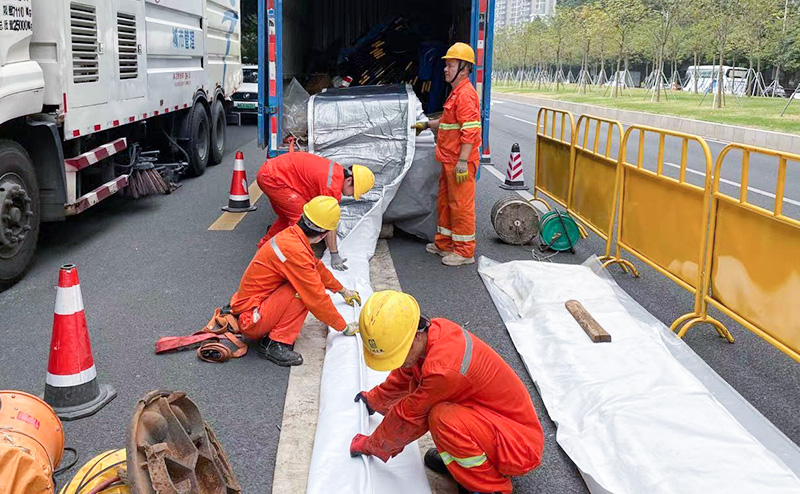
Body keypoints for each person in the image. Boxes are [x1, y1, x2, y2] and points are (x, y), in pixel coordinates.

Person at [349, 291, 544, 494]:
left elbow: (409, 416)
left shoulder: (443, 369)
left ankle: (490, 488)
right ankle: (464, 463)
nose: (398, 363)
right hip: (493, 424)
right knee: (434, 404)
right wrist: (375, 399)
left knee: (442, 418)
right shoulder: (432, 334)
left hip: (518, 446)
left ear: (415, 337)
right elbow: (405, 373)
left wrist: (372, 445)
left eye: (399, 356)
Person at [229, 196, 361, 367]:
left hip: (250, 305)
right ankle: (274, 344)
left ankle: (272, 333)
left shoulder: (292, 237)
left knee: (303, 286)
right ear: (323, 235)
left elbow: (316, 267)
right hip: (250, 319)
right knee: (302, 292)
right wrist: (343, 327)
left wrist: (342, 290)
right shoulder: (295, 252)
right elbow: (317, 298)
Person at [413, 42, 482, 266]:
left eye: (450, 65)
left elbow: (470, 130)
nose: (445, 69)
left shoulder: (466, 95)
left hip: (460, 162)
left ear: (463, 68)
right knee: (445, 202)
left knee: (461, 206)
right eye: (446, 65)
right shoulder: (456, 93)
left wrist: (462, 161)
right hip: (449, 159)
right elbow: (448, 121)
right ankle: (444, 243)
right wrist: (427, 124)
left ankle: (464, 252)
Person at [255, 151, 376, 270]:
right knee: (301, 223)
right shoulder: (332, 187)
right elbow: (329, 222)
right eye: (353, 192)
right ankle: (298, 263)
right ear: (349, 180)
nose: (351, 196)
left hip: (271, 173)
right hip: (273, 178)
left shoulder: (336, 172)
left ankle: (264, 249)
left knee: (286, 219)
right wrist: (334, 254)